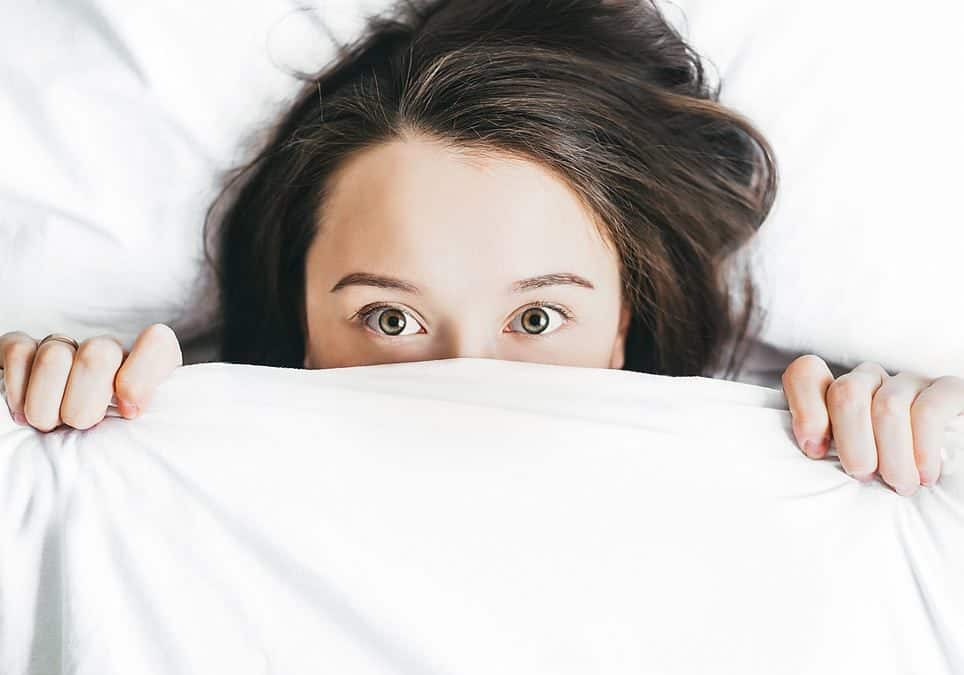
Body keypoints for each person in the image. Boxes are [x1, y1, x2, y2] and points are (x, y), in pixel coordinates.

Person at [1, 0, 961, 496]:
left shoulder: (796, 474)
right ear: (300, 323)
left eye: (538, 317)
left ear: (623, 324)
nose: (464, 385)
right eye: (390, 317)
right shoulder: (156, 478)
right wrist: (44, 419)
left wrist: (929, 441)